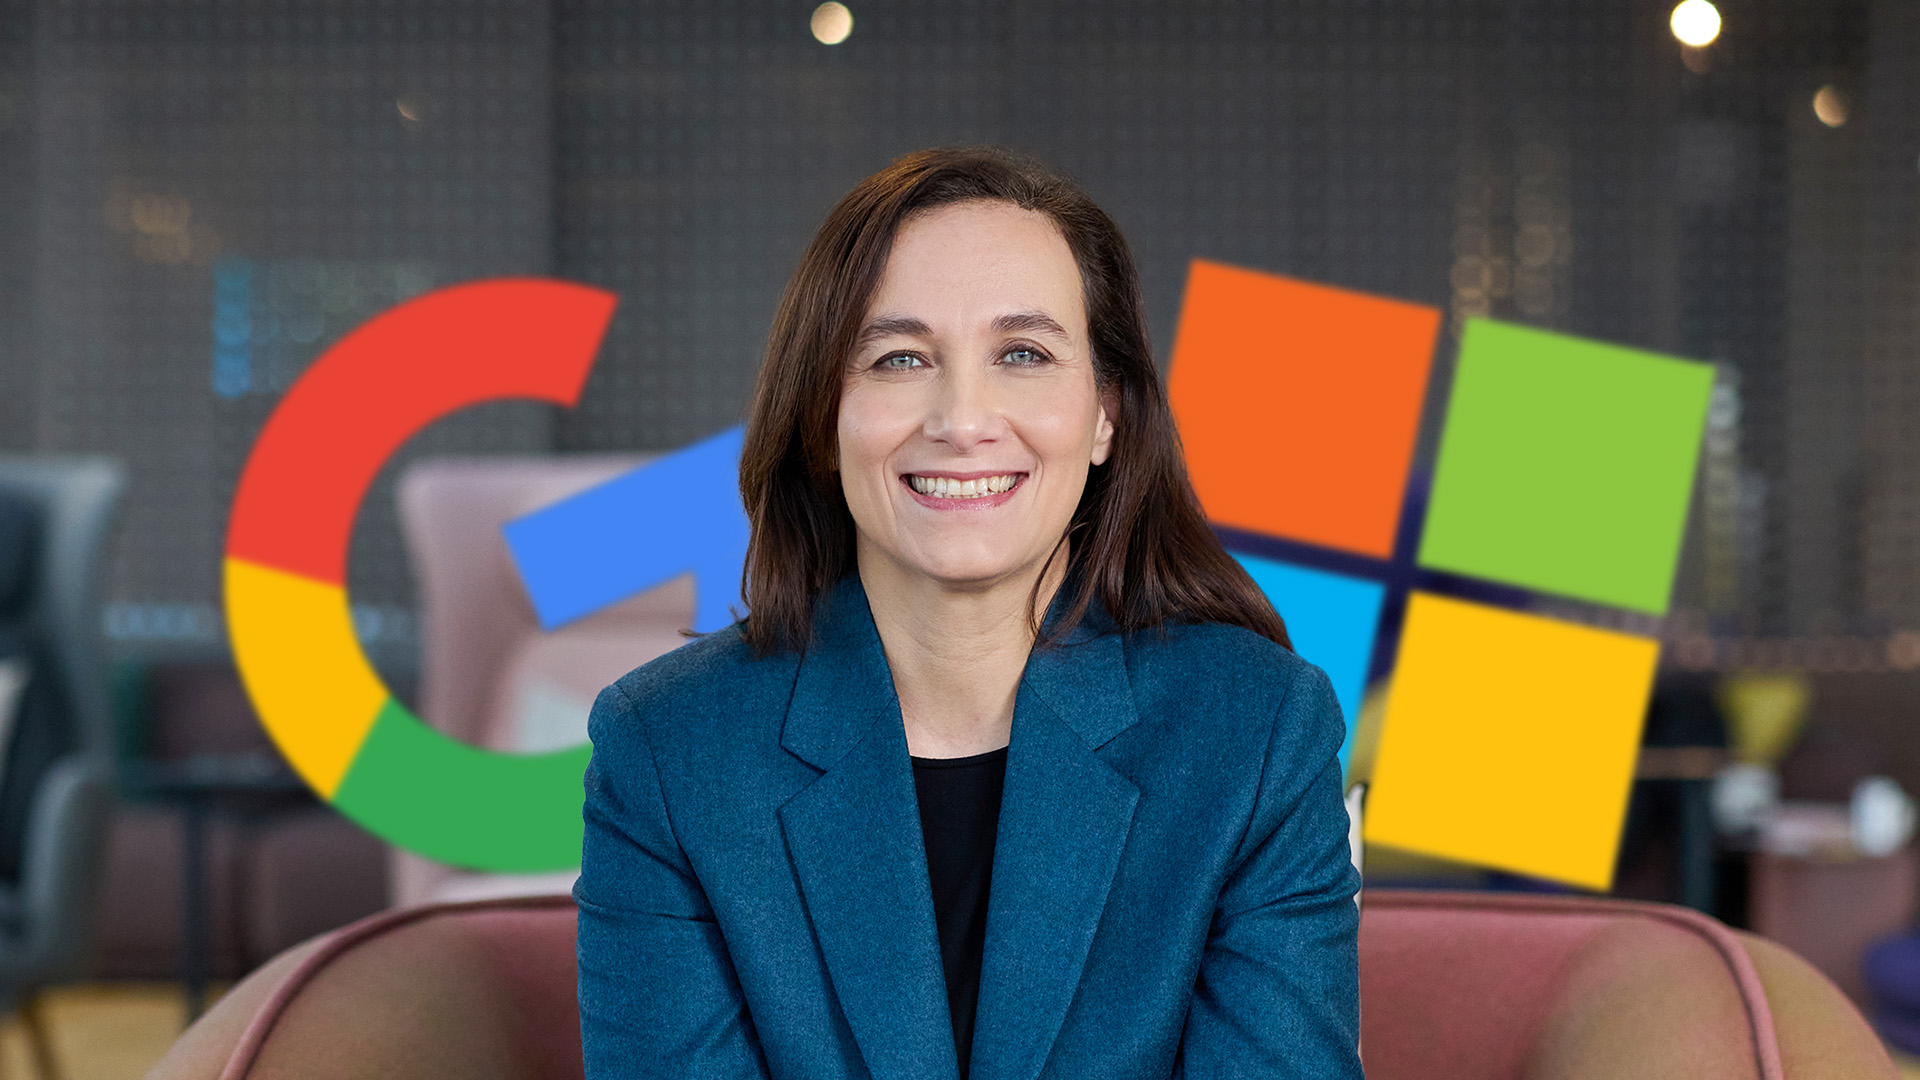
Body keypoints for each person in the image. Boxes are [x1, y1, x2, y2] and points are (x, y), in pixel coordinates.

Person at [576, 146, 1361, 1080]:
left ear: (1105, 412)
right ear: (827, 414)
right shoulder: (669, 750)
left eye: (1022, 354)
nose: (961, 416)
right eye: (899, 357)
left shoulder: (1255, 733)